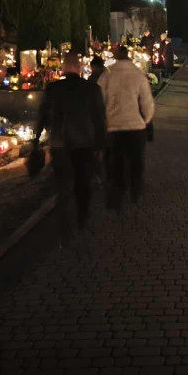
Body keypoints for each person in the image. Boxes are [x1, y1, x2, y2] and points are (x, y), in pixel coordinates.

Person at [34, 52, 106, 251]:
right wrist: (100, 146)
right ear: (80, 67)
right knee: (83, 186)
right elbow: (100, 119)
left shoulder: (53, 89)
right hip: (85, 144)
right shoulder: (92, 89)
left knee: (63, 189)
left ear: (65, 67)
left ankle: (64, 234)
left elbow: (42, 115)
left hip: (60, 145)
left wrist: (35, 141)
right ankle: (82, 222)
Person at [98, 45, 155, 209]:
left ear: (116, 58)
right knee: (136, 160)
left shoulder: (107, 76)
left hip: (113, 127)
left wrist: (103, 121)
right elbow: (147, 103)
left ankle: (117, 192)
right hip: (135, 127)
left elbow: (99, 101)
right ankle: (135, 190)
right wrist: (145, 120)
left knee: (115, 161)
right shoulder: (138, 76)